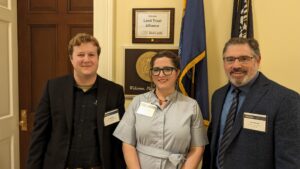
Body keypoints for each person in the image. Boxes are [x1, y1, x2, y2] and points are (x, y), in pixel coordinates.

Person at [27, 33, 126, 169]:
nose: (86, 59)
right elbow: (39, 135)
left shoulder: (114, 92)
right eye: (80, 55)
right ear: (71, 58)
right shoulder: (53, 88)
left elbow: (118, 139)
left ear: (98, 58)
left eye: (91, 55)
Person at [202, 37, 300, 169]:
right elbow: (213, 147)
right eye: (230, 59)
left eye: (244, 59)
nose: (236, 65)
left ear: (258, 60)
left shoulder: (285, 99)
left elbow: (289, 159)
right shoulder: (218, 96)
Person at [113, 51, 208, 169]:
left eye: (167, 69)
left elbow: (197, 147)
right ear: (151, 74)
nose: (161, 74)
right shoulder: (137, 102)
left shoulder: (191, 106)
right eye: (156, 70)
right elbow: (128, 143)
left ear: (177, 72)